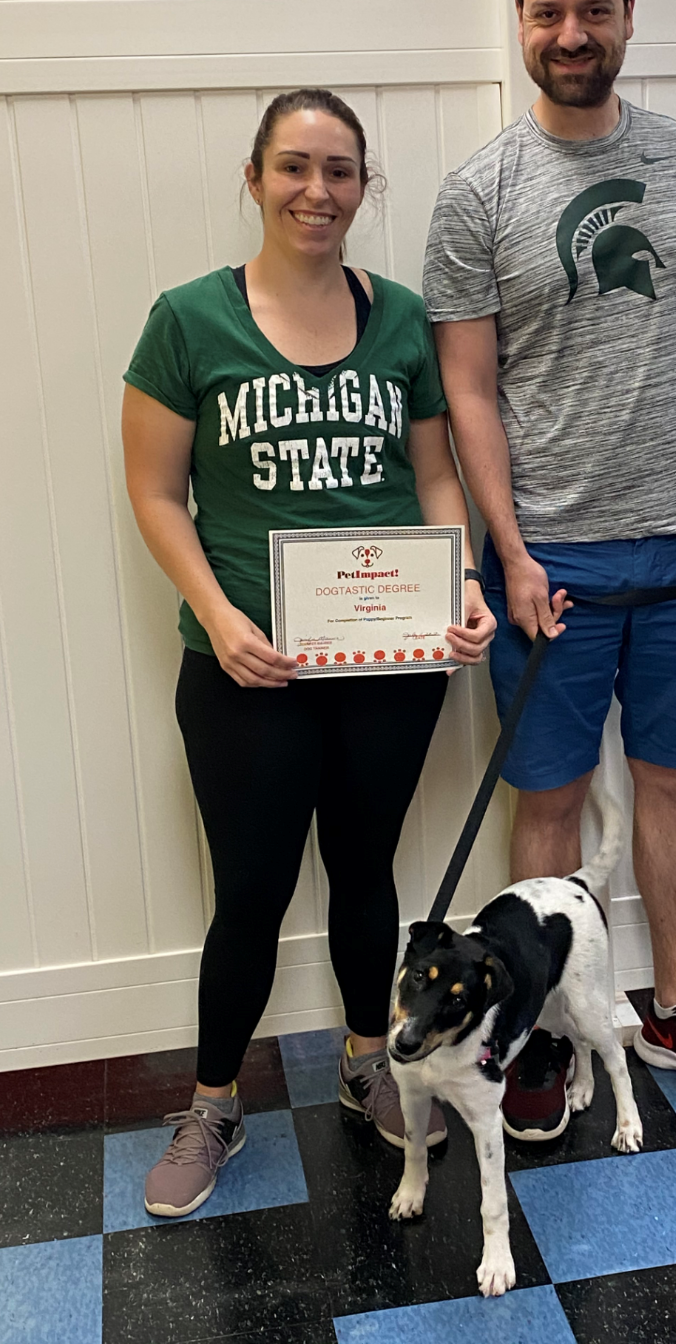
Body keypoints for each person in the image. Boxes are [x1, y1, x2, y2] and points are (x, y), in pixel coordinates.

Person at [423, 0, 676, 1135]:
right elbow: (467, 386)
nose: (569, 36)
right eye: (545, 15)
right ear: (517, 19)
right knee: (549, 800)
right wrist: (508, 551)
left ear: (631, 10)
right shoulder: (479, 192)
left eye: (592, 10)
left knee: (673, 788)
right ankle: (529, 1026)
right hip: (552, 566)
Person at [122, 88, 496, 1217]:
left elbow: (435, 475)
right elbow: (153, 490)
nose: (316, 191)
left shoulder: (398, 319)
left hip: (387, 661)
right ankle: (214, 1102)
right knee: (248, 890)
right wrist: (219, 615)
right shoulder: (188, 320)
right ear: (255, 179)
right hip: (247, 667)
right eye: (293, 167)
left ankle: (365, 1058)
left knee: (367, 869)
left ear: (362, 187)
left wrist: (461, 576)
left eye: (339, 171)